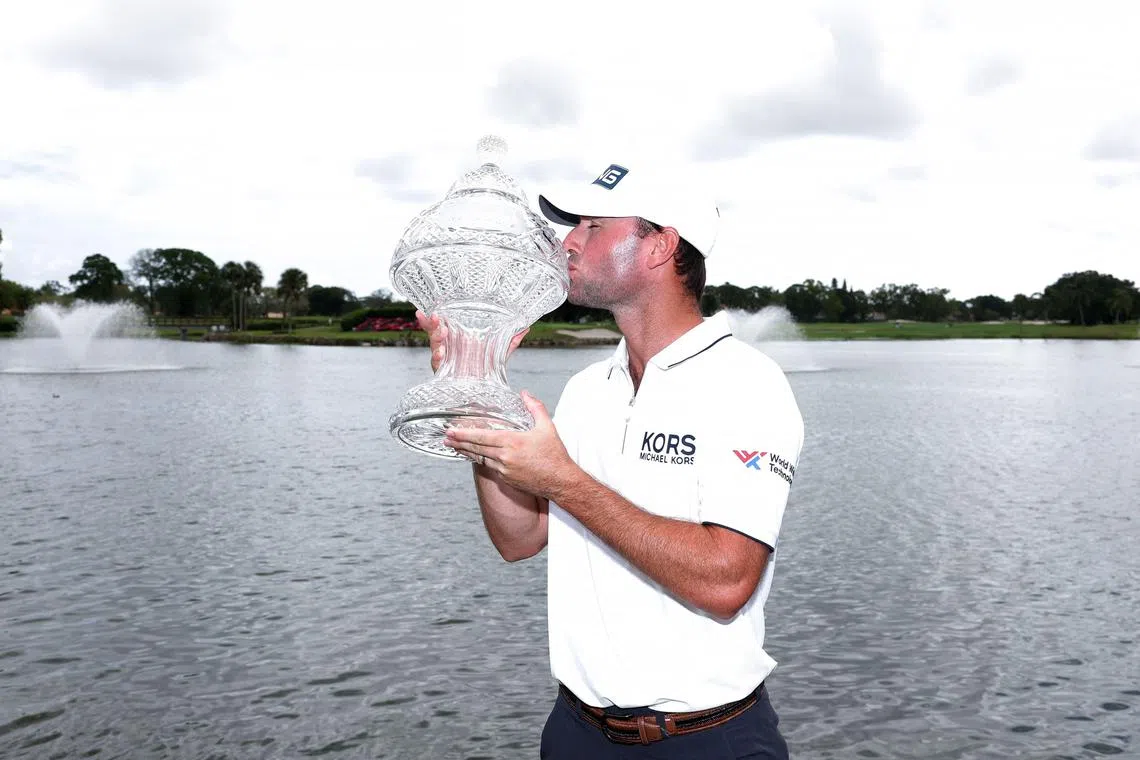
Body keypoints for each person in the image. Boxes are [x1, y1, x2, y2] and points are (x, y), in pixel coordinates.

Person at [417, 160, 804, 759]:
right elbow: (519, 537)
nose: (566, 241)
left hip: (707, 739)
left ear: (661, 246)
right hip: (576, 734)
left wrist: (564, 482)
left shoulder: (747, 384)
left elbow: (727, 580)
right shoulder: (586, 389)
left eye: (592, 225)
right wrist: (476, 386)